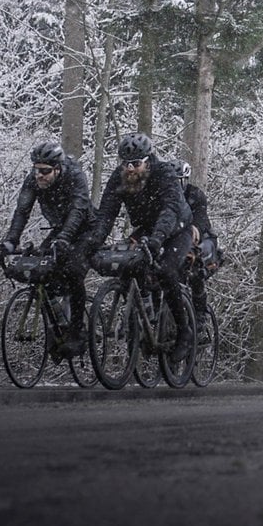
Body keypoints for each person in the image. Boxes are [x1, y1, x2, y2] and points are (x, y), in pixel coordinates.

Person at [91, 132, 195, 363]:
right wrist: (94, 242)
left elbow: (170, 209)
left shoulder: (164, 173)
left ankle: (184, 330)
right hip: (147, 227)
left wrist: (158, 238)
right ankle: (146, 307)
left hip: (178, 227)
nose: (130, 169)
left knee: (166, 270)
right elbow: (106, 214)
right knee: (129, 263)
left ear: (148, 161)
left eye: (136, 164)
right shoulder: (119, 178)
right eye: (126, 164)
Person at [0, 140, 93, 356]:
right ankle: (58, 325)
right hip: (60, 229)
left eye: (45, 171)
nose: (39, 176)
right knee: (42, 272)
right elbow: (22, 211)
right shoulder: (33, 180)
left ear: (58, 168)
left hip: (85, 230)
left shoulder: (75, 176)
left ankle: (77, 331)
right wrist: (10, 241)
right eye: (36, 170)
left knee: (74, 271)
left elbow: (77, 210)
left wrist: (65, 239)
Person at [173, 160, 223, 318]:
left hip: (203, 239)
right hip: (177, 239)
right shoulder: (164, 197)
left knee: (195, 270)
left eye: (178, 181)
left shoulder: (195, 195)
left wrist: (194, 230)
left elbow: (200, 220)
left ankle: (200, 316)